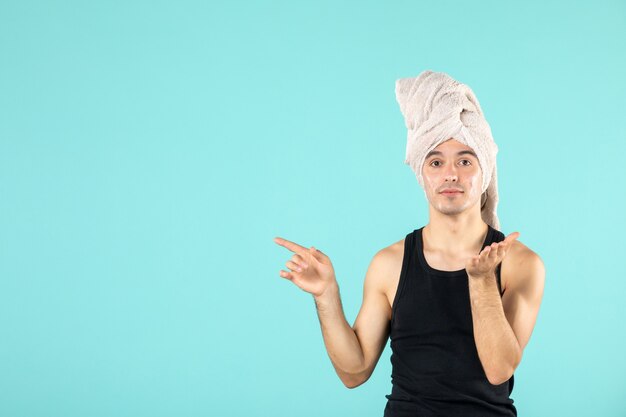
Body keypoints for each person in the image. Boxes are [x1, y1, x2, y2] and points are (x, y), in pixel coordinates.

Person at [273, 70, 545, 416]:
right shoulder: (390, 263)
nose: (450, 174)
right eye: (436, 161)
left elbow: (498, 369)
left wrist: (480, 281)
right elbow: (353, 372)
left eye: (465, 160)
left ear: (484, 171)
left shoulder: (521, 263)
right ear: (422, 173)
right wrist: (326, 295)